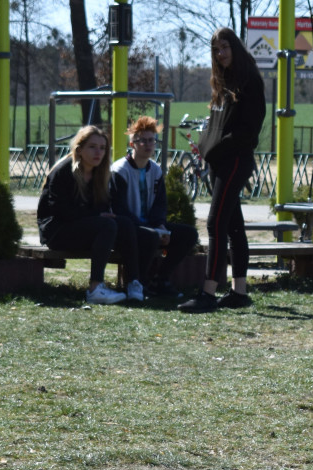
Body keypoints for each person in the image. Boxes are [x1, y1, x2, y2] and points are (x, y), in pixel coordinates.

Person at [179, 27, 266, 313]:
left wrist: (216, 149)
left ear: (236, 48)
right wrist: (207, 147)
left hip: (235, 161)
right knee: (232, 225)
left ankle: (207, 292)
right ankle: (239, 292)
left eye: (225, 47)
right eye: (216, 49)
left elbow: (247, 132)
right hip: (220, 161)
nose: (221, 54)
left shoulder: (250, 82)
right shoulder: (223, 82)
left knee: (215, 223)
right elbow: (217, 126)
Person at [37, 125, 143, 305]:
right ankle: (95, 288)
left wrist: (100, 217)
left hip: (83, 227)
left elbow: (101, 208)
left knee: (123, 223)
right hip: (57, 231)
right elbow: (61, 211)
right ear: (79, 149)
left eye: (102, 148)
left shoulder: (99, 174)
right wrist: (97, 218)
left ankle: (133, 282)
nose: (98, 152)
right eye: (92, 147)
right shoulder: (63, 171)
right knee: (107, 225)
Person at [110, 116, 199, 296]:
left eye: (152, 140)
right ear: (132, 143)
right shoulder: (119, 170)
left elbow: (160, 204)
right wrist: (152, 230)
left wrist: (160, 226)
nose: (148, 144)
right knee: (150, 237)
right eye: (142, 140)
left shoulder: (156, 170)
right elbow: (119, 209)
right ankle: (140, 283)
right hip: (127, 228)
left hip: (150, 226)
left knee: (189, 234)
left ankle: (161, 279)